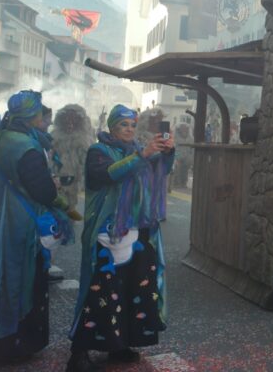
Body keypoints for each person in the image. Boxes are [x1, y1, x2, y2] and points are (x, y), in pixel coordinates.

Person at [66, 105, 174, 372]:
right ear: (112, 127)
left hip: (137, 232)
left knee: (131, 291)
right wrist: (142, 155)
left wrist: (167, 153)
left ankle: (119, 345)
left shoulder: (138, 149)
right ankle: (78, 353)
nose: (129, 129)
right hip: (106, 233)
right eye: (123, 125)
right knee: (97, 291)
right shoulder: (98, 151)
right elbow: (107, 174)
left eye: (132, 125)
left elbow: (160, 172)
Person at [0, 92, 63, 367]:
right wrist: (55, 187)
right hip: (18, 225)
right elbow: (43, 191)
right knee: (18, 281)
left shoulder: (0, 138)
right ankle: (10, 344)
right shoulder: (25, 146)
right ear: (33, 115)